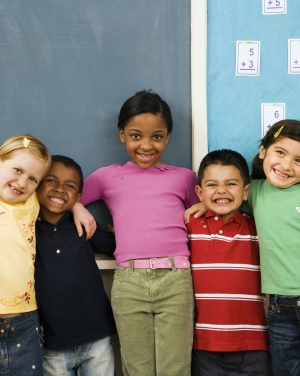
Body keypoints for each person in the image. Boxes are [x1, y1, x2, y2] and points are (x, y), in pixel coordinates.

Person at [75, 90, 199, 376]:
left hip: (176, 279)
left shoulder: (184, 178)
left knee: (175, 368)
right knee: (136, 368)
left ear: (168, 137)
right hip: (129, 282)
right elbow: (66, 197)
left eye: (157, 136)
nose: (146, 145)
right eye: (135, 135)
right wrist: (78, 209)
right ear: (122, 135)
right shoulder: (108, 176)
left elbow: (199, 219)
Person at [185, 119, 300, 376]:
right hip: (212, 342)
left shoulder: (259, 211)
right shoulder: (193, 223)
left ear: (245, 190)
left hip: (256, 341)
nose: (286, 164)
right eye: (280, 153)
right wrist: (206, 201)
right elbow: (224, 196)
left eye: (298, 160)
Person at [187, 149, 268, 376]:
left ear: (246, 192)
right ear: (199, 192)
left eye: (231, 184)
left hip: (252, 346)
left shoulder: (259, 226)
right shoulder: (189, 226)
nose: (221, 190)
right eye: (212, 185)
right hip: (203, 346)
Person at [34, 155, 116, 376]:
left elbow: (114, 247)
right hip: (52, 343)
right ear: (37, 183)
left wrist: (79, 209)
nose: (60, 189)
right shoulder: (27, 227)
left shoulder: (83, 223)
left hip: (97, 335)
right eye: (51, 181)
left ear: (78, 196)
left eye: (69, 186)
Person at [0, 134, 52, 376]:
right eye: (17, 170)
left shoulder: (31, 202)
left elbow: (60, 195)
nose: (22, 182)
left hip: (25, 320)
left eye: (33, 179)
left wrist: (78, 207)